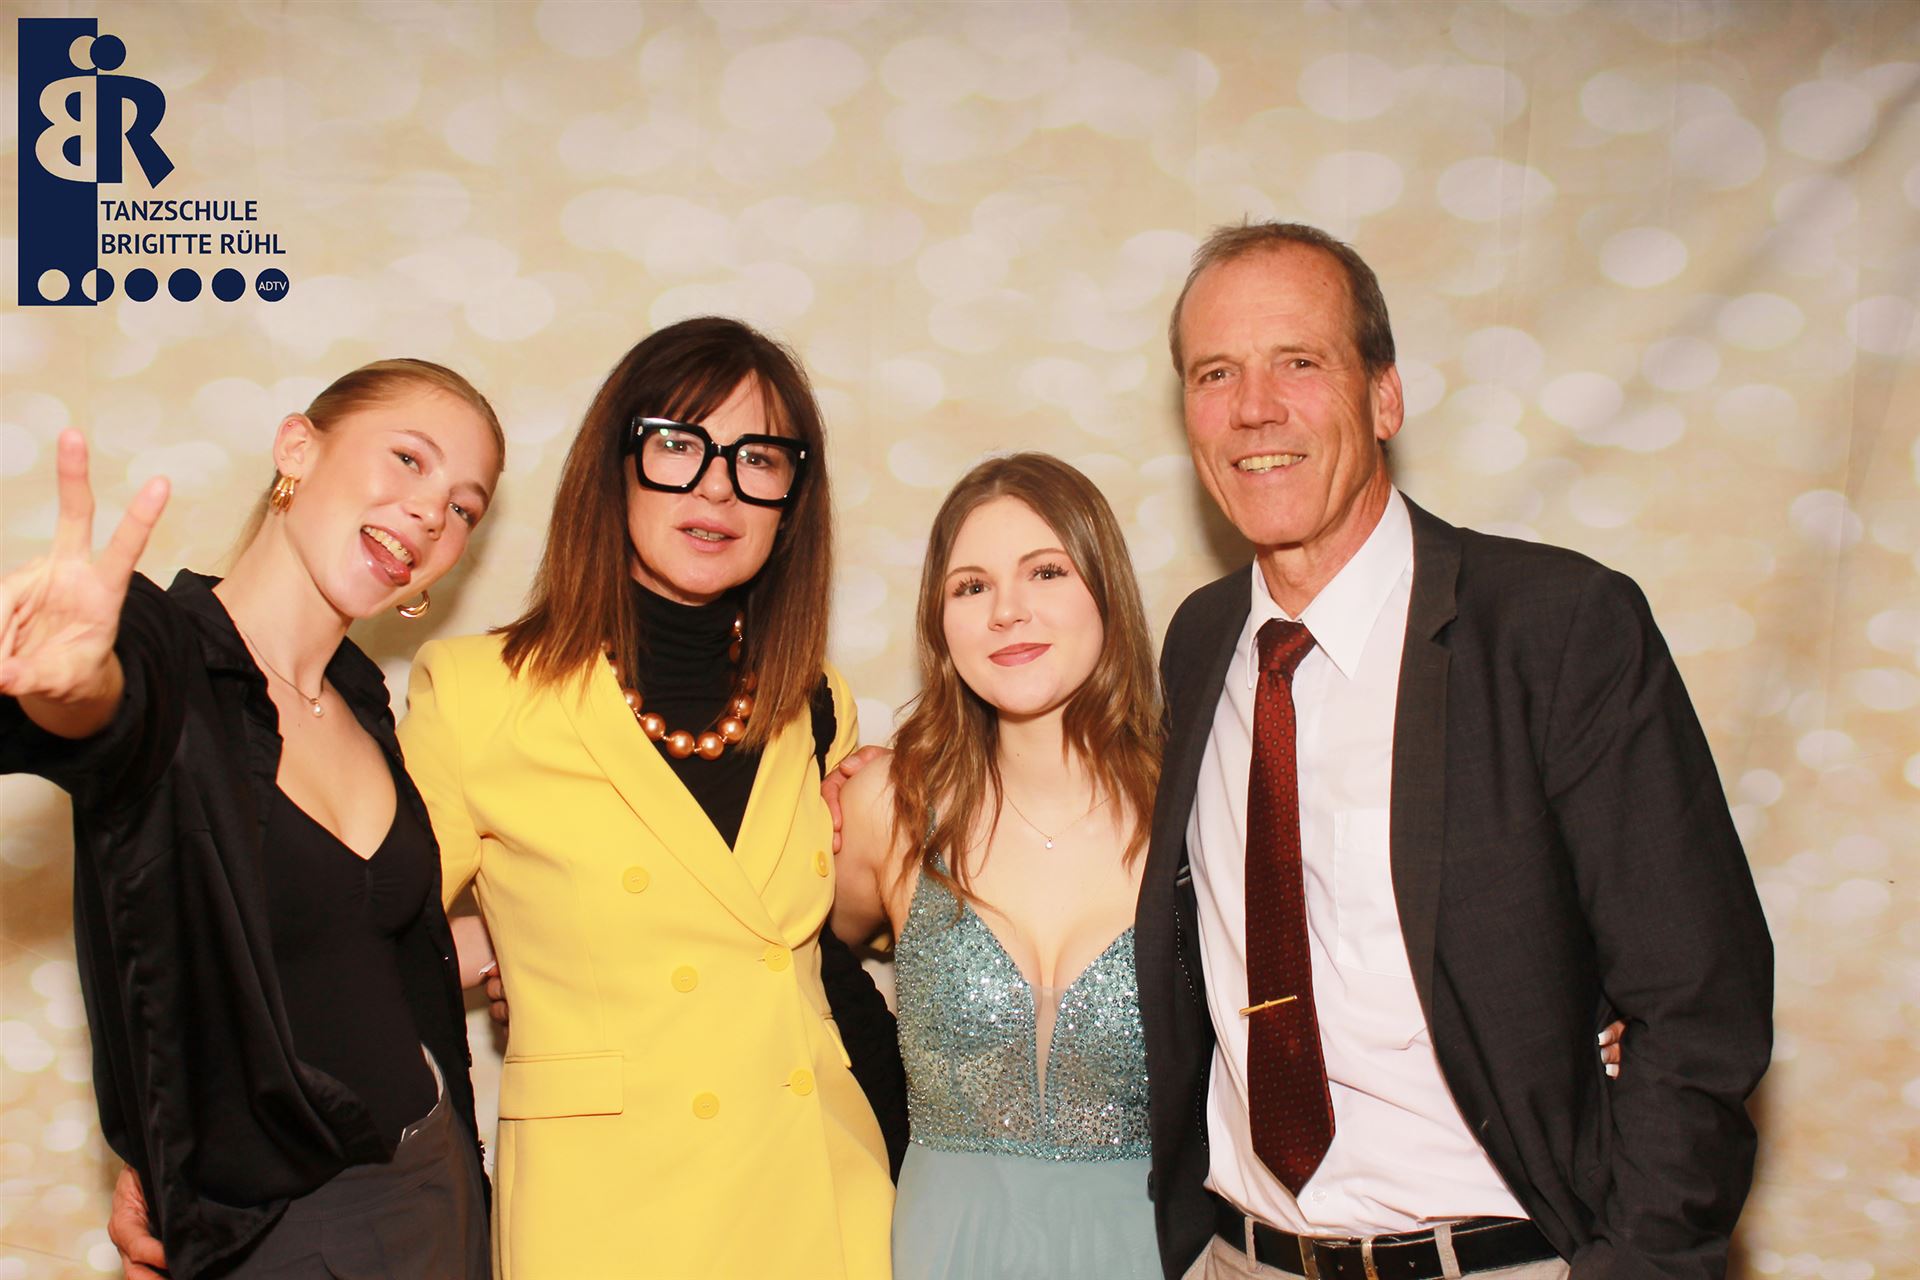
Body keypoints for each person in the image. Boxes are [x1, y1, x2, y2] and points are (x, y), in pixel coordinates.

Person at [1136, 222, 1773, 1280]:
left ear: (1385, 396)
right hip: (1239, 1257)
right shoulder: (1201, 641)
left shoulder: (1556, 629)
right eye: (1216, 373)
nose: (1254, 406)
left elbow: (1698, 1000)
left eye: (1300, 362)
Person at [395, 317, 901, 1277]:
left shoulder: (815, 698)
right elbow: (360, 948)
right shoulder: (474, 695)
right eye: (678, 444)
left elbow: (824, 957)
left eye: (759, 458)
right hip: (607, 1220)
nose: (719, 486)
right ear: (615, 466)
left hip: (821, 1202)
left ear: (792, 503)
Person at [1, 360, 505, 1278]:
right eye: (408, 459)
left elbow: (353, 949)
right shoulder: (167, 653)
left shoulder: (362, 703)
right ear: (297, 448)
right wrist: (68, 684)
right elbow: (106, 704)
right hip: (279, 1235)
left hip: (438, 1191)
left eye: (465, 507)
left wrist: (535, 937)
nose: (434, 513)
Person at [832, 453, 1166, 1279]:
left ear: (1106, 590)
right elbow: (784, 976)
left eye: (1045, 571)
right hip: (943, 1253)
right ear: (939, 621)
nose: (1007, 611)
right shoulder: (886, 807)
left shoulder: (1201, 809)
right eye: (971, 586)